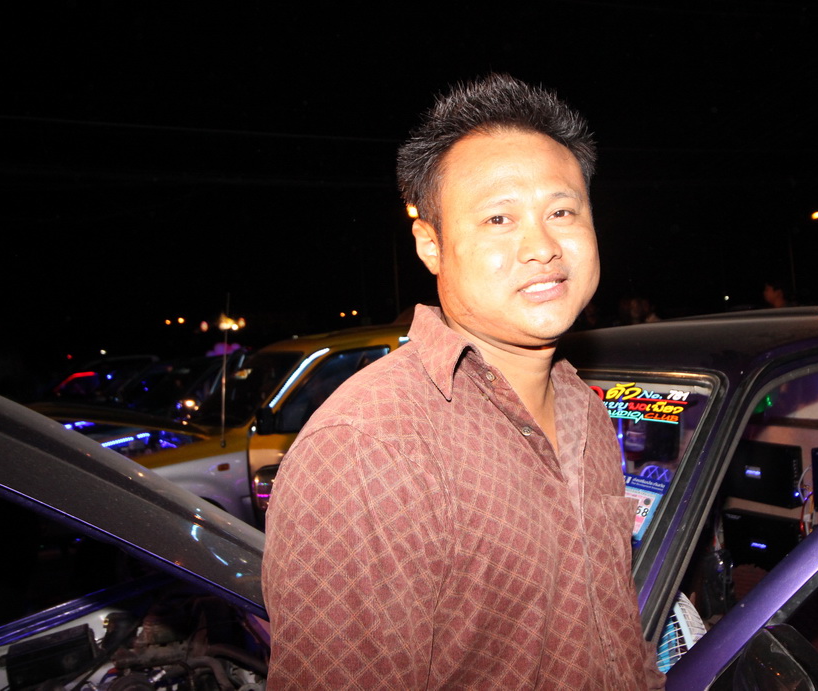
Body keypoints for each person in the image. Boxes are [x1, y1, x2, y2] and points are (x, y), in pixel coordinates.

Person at [263, 73, 659, 689]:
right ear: (431, 245)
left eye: (561, 211)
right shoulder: (369, 447)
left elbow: (615, 636)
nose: (542, 246)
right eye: (499, 218)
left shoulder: (583, 407)